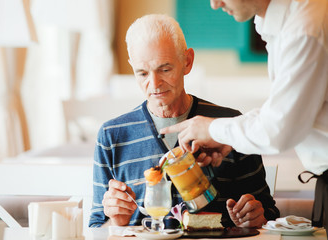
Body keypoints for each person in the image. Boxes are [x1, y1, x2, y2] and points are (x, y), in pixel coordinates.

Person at [89, 14, 279, 228]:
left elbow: (269, 213)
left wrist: (255, 216)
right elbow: (97, 225)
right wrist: (116, 220)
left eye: (165, 69)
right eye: (142, 73)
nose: (154, 84)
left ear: (187, 61)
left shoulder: (231, 125)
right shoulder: (112, 136)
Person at [160, 0, 328, 234]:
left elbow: (279, 128)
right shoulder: (286, 25)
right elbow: (282, 112)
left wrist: (211, 129)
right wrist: (228, 137)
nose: (214, 4)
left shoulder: (304, 28)